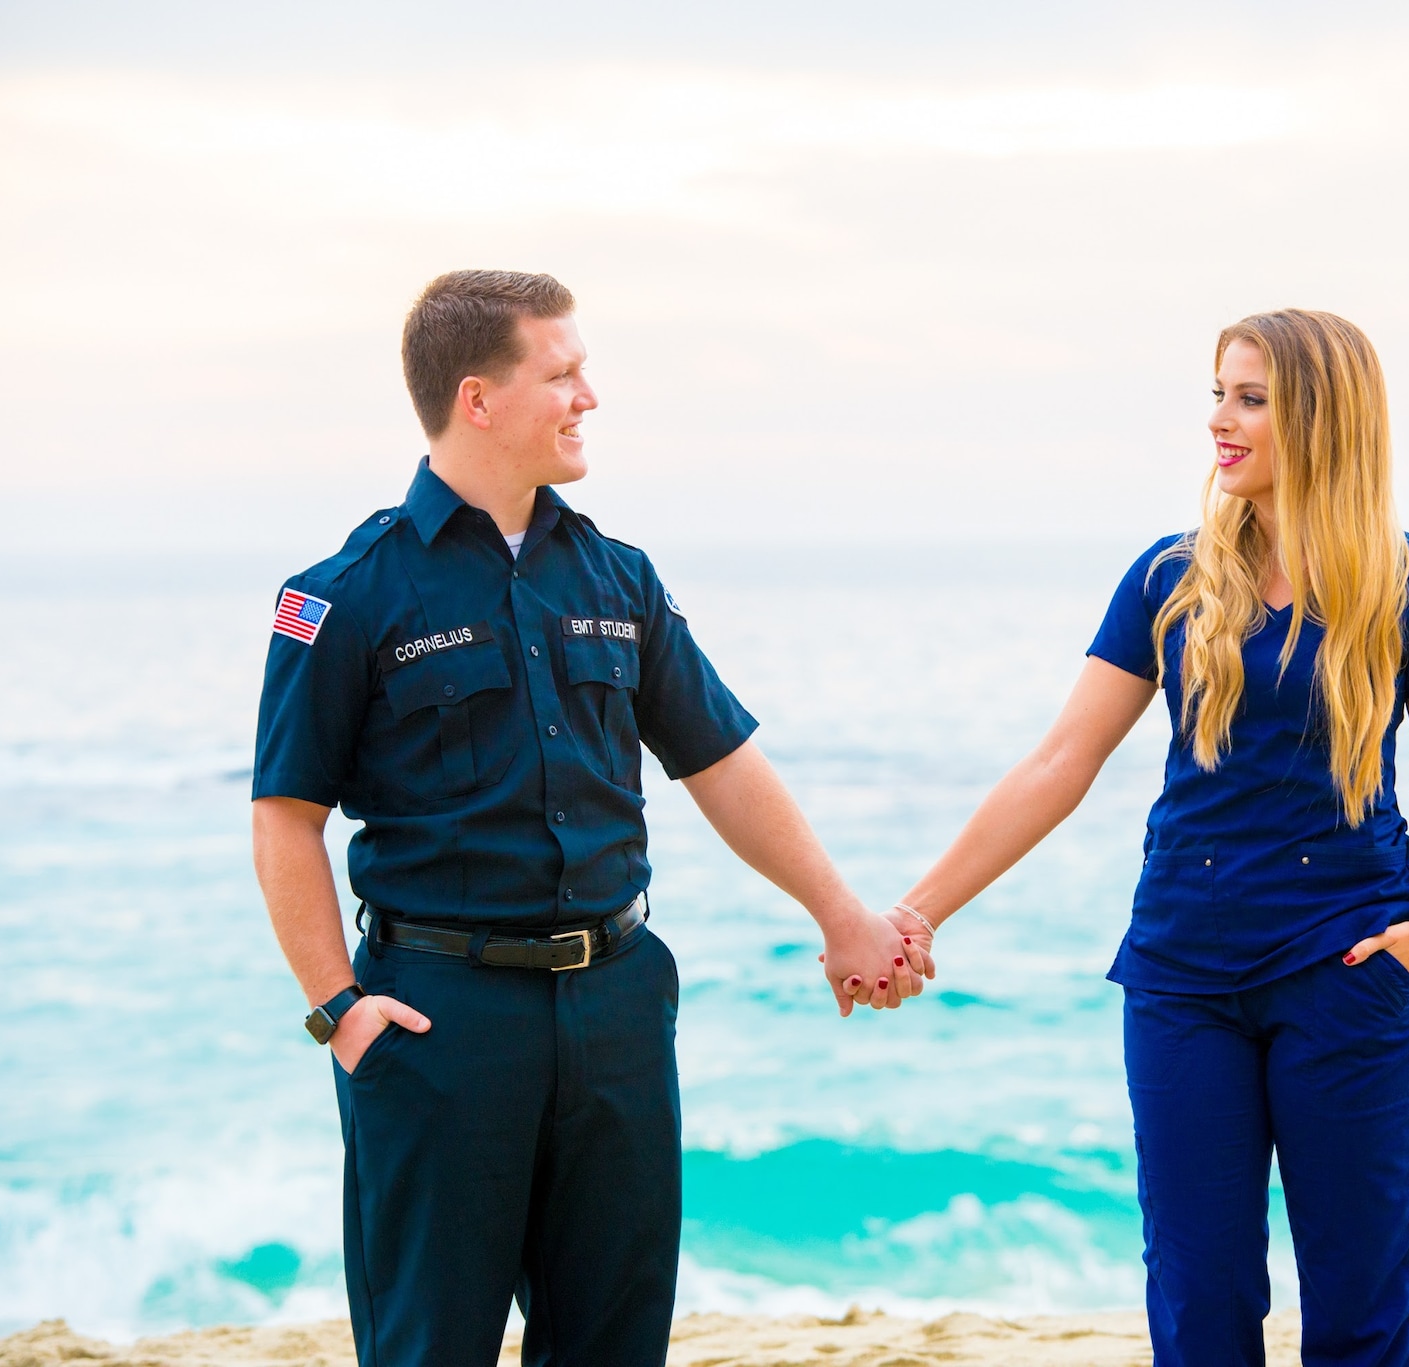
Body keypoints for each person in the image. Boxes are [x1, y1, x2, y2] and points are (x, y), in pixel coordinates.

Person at [249, 269, 931, 1367]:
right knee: (431, 1345)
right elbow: (285, 817)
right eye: (561, 374)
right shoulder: (347, 593)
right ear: (478, 399)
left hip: (615, 1003)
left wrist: (840, 912)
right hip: (439, 1020)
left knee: (615, 1344)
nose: (588, 398)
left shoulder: (618, 574)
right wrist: (340, 1006)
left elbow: (721, 763)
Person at [888, 309, 1409, 1367]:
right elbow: (1058, 763)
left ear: (1321, 416)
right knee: (1199, 1301)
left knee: (1358, 1303)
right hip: (1181, 977)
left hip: (1348, 969)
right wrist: (913, 910)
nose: (1219, 420)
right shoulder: (1169, 575)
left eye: (1249, 398)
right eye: (1216, 393)